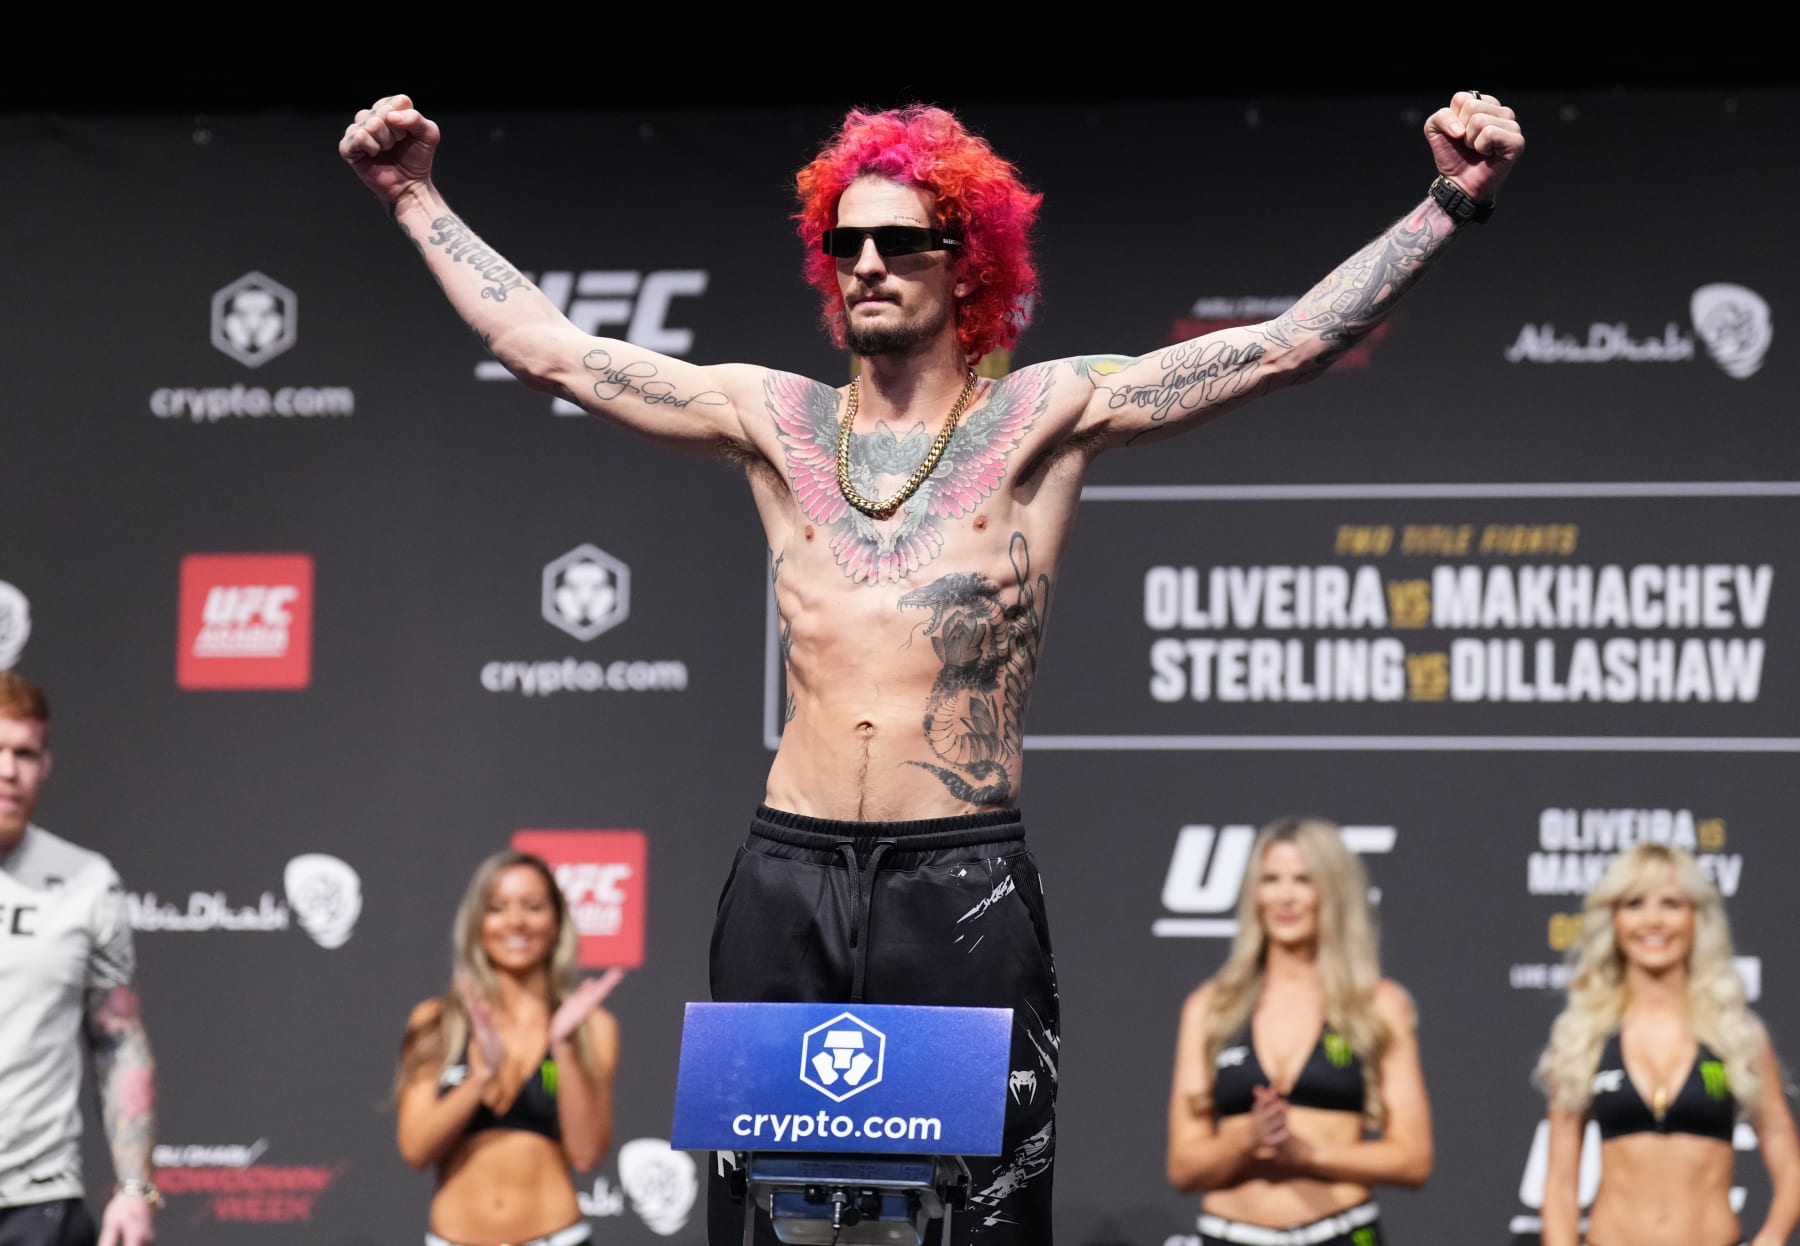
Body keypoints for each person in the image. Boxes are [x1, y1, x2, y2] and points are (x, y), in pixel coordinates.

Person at [339, 88, 1523, 1245]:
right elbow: (542, 348)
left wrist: (1445, 202)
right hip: (789, 865)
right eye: (843, 240)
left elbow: (1285, 347)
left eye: (899, 239)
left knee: (993, 1196)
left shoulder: (1044, 417)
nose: (866, 261)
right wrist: (412, 198)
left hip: (959, 876)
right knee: (754, 1196)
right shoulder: (774, 419)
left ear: (968, 259)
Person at [1165, 817, 1430, 1245]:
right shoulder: (1210, 1008)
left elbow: (1413, 1159)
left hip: (1342, 1232)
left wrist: (1308, 1154)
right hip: (1226, 1235)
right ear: (1255, 894)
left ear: (1333, 892)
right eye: (1271, 879)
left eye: (1304, 880)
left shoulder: (1378, 1005)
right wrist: (1247, 1139)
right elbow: (1183, 1167)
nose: (1285, 896)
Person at [1534, 843, 1800, 1246]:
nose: (1653, 921)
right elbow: (1559, 1183)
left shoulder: (1737, 1036)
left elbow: (1790, 1162)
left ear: (1697, 918)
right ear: (1614, 920)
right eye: (1635, 903)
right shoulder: (1582, 1036)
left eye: (1671, 904)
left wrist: (1773, 1237)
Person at [394, 849, 625, 1246]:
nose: (515, 921)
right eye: (497, 907)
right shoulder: (435, 1020)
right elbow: (416, 1149)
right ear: (477, 923)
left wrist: (562, 1045)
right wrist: (481, 1077)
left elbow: (586, 1154)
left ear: (556, 923)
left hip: (557, 1238)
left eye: (533, 906)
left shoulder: (592, 1028)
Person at [0, 671, 159, 1246]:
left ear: (46, 764)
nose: (7, 770)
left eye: (24, 752)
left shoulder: (88, 882)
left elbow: (119, 1042)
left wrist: (136, 1188)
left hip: (37, 1204)